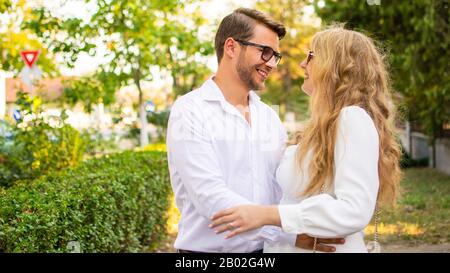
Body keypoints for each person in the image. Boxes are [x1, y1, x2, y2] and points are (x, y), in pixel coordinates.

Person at [210, 25, 402, 253]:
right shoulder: (321, 126)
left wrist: (267, 215)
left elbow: (354, 209)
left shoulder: (352, 118)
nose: (303, 64)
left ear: (334, 65)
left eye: (311, 56)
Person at [166, 9, 344, 253]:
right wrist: (288, 233)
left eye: (275, 56)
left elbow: (281, 189)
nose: (271, 63)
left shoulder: (268, 116)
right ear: (231, 47)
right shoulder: (189, 111)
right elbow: (210, 198)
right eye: (265, 52)